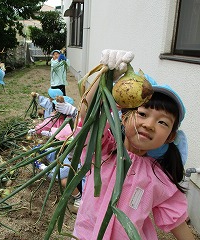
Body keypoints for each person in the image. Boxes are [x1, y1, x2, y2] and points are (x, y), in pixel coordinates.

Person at [62, 49, 194, 239]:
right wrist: (105, 76)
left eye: (162, 122)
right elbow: (87, 115)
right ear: (123, 118)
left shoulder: (158, 177)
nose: (149, 125)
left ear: (170, 137)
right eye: (142, 114)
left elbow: (180, 227)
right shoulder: (104, 151)